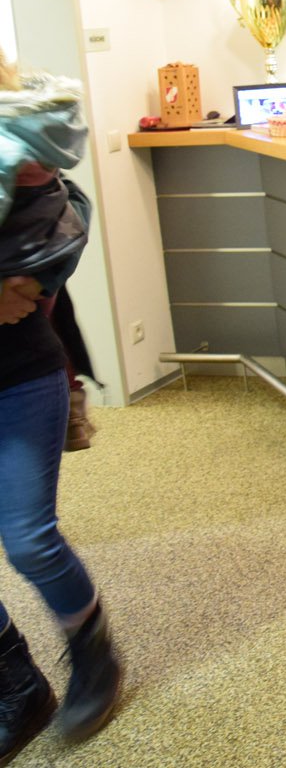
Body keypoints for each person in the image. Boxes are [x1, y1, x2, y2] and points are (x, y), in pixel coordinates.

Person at [0, 57, 123, 760]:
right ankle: (18, 683)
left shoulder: (23, 149)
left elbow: (62, 226)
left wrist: (25, 283)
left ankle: (92, 654)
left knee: (28, 539)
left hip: (20, 374)